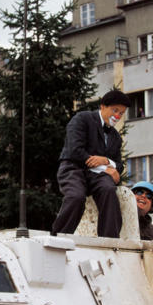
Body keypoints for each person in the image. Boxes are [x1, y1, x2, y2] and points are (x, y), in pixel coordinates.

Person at [51, 90, 131, 238]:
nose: (118, 116)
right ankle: (58, 237)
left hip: (98, 176)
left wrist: (106, 161)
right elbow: (75, 150)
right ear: (102, 106)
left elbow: (119, 165)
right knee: (76, 196)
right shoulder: (82, 119)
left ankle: (109, 241)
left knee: (109, 189)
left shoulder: (115, 137)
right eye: (115, 110)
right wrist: (103, 165)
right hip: (74, 168)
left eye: (122, 113)